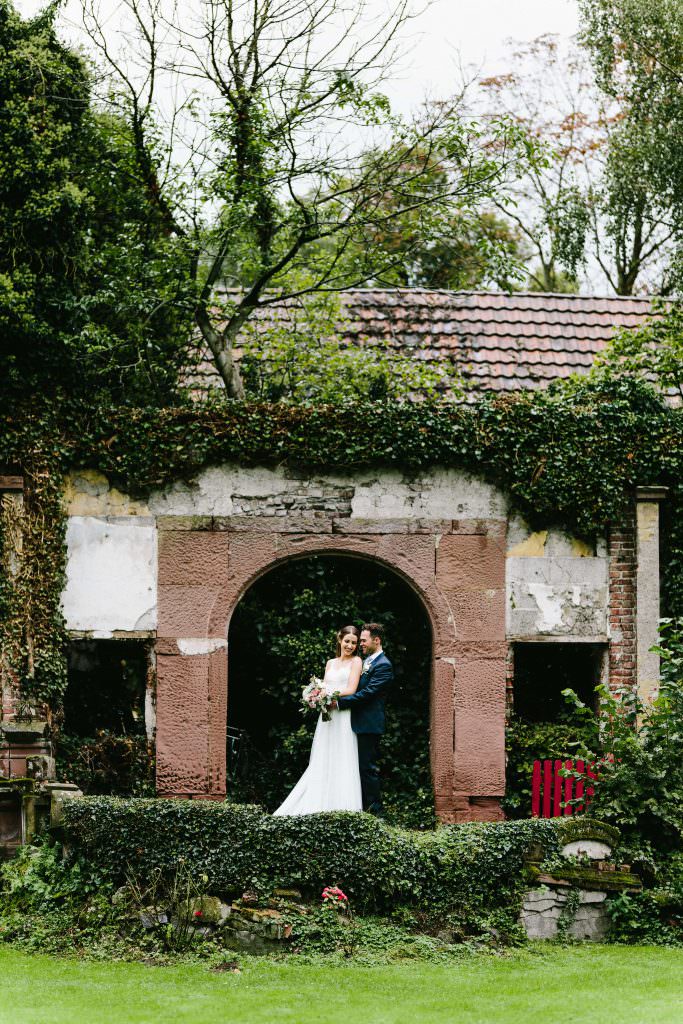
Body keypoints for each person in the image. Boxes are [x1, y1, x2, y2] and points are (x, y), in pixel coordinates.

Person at [273, 625, 363, 816]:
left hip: (342, 714)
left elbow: (351, 689)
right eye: (347, 641)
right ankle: (319, 799)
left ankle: (342, 805)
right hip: (326, 716)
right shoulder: (330, 663)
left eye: (354, 643)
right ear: (340, 640)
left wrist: (328, 695)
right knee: (324, 752)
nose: (350, 646)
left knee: (342, 752)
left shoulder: (356, 661)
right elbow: (323, 684)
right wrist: (318, 695)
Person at [337, 623, 393, 816]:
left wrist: (338, 703)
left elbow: (368, 694)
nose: (360, 643)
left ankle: (377, 813)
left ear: (376, 641)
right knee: (360, 768)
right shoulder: (368, 661)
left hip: (369, 724)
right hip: (357, 722)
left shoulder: (383, 665)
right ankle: (362, 808)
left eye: (363, 640)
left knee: (367, 769)